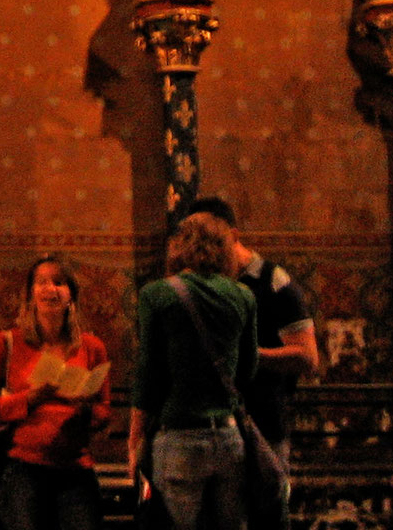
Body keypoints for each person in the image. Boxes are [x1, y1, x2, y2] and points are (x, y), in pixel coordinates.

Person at [129, 212, 257, 530]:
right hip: (228, 438)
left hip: (178, 436)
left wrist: (135, 438)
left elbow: (149, 374)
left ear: (178, 248)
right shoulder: (243, 296)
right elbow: (247, 370)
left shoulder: (157, 295)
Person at [0, 254, 114, 530]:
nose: (50, 289)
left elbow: (104, 412)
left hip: (75, 468)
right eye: (42, 283)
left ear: (71, 295)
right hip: (22, 469)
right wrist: (31, 399)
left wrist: (85, 407)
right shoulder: (5, 343)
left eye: (59, 282)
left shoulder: (91, 346)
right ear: (30, 294)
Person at [190, 194, 318, 477]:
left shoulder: (271, 282)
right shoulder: (200, 284)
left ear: (233, 235)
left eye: (211, 240)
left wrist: (250, 356)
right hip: (211, 431)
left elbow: (308, 357)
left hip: (263, 426)